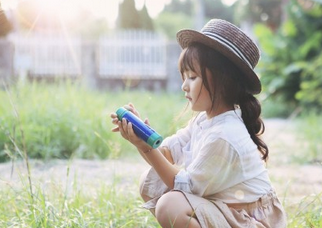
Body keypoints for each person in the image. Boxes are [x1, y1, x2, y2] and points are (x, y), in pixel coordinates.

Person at [110, 19, 287, 228]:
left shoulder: (225, 135)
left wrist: (147, 149)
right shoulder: (204, 120)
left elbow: (184, 186)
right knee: (151, 180)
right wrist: (142, 137)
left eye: (192, 77)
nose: (184, 86)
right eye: (184, 77)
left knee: (170, 205)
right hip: (227, 208)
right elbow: (166, 153)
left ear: (222, 81)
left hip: (251, 220)